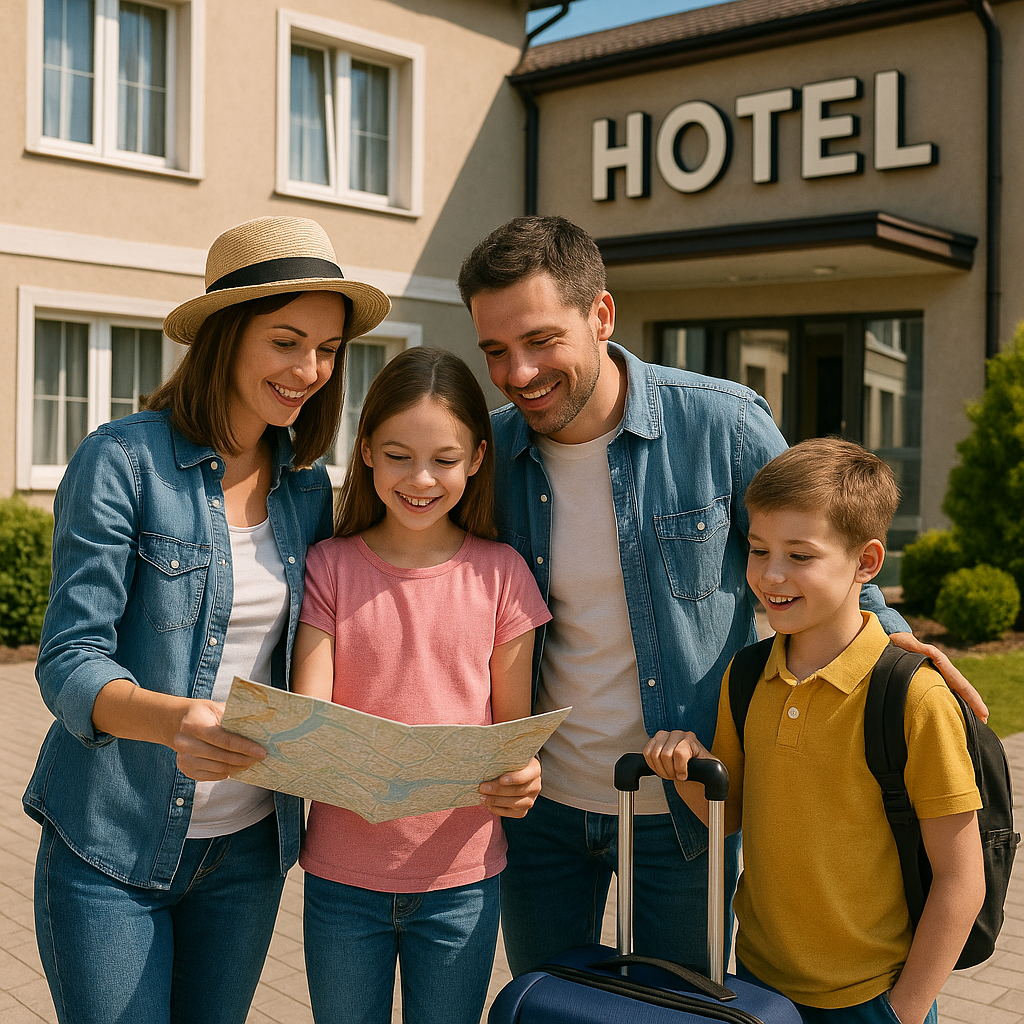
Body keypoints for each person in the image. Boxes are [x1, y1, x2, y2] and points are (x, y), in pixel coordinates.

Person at [456, 214, 987, 977]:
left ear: (601, 315)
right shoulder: (491, 452)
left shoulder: (722, 423)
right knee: (547, 1007)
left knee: (684, 1013)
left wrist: (900, 657)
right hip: (541, 813)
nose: (518, 372)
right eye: (496, 350)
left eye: (541, 340)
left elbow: (820, 545)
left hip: (685, 807)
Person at [23, 216, 392, 1024]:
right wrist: (173, 721)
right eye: (286, 342)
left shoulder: (306, 487)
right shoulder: (122, 461)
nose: (309, 370)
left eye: (327, 350)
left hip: (248, 853)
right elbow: (69, 658)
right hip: (111, 844)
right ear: (226, 337)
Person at [643, 438, 985, 1024]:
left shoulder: (914, 698)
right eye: (758, 550)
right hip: (758, 985)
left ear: (866, 563)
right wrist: (686, 770)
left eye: (800, 556)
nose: (771, 575)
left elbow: (961, 879)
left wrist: (902, 1012)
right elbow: (732, 815)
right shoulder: (746, 675)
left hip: (873, 999)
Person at [290, 346, 551, 1024]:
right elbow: (311, 719)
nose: (421, 479)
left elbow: (513, 740)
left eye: (444, 459)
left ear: (477, 459)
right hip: (342, 878)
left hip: (462, 880)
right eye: (398, 455)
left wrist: (522, 777)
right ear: (366, 451)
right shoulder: (328, 567)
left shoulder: (503, 575)